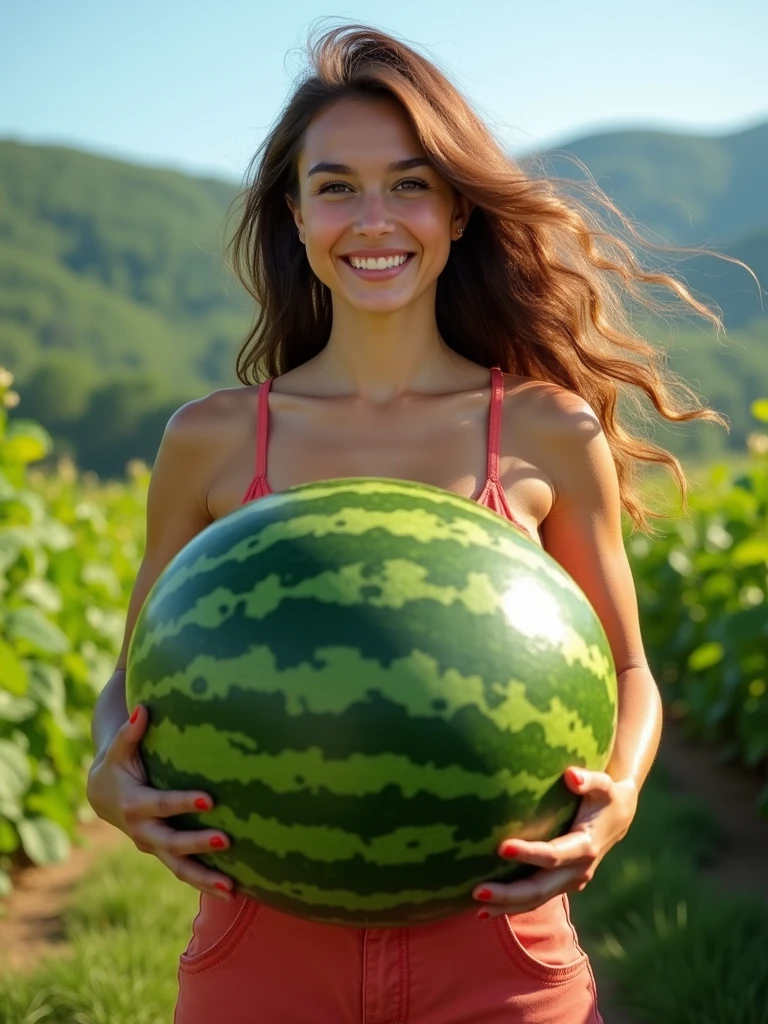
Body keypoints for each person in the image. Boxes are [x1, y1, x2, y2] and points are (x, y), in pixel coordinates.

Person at [86, 22, 747, 1024]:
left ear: (456, 210)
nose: (374, 217)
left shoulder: (545, 430)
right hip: (262, 947)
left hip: (499, 948)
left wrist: (619, 800)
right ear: (296, 215)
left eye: (410, 182)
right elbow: (136, 676)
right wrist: (108, 777)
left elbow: (629, 673)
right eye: (337, 185)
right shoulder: (214, 440)